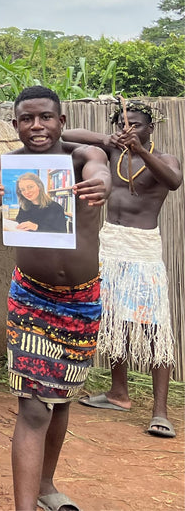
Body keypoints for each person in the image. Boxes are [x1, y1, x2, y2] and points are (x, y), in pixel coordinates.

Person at [0, 86, 110, 511]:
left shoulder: (84, 160)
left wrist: (100, 187)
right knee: (34, 408)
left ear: (61, 121)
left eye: (46, 117)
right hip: (31, 296)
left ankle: (47, 485)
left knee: (62, 398)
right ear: (15, 125)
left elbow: (102, 170)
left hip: (83, 299)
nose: (37, 126)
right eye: (27, 119)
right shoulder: (5, 165)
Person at [65, 100, 182, 438]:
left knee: (155, 330)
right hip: (110, 244)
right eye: (123, 124)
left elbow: (173, 181)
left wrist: (140, 150)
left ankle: (160, 412)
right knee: (112, 319)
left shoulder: (164, 159)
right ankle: (119, 394)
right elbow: (67, 135)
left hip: (143, 249)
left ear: (151, 129)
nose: (129, 129)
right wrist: (109, 138)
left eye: (137, 124)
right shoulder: (112, 152)